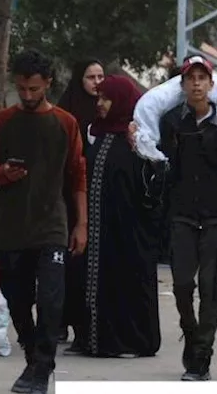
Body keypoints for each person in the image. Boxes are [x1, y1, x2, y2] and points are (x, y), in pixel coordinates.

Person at [0, 50, 88, 394]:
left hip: (53, 225)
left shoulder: (66, 123)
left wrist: (81, 224)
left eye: (33, 88)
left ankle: (42, 375)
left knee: (51, 300)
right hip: (13, 226)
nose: (27, 95)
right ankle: (32, 357)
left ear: (47, 83)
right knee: (16, 301)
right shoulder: (1, 122)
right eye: (21, 89)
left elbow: (78, 176)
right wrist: (3, 174)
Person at [158, 56, 217, 380]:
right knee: (183, 285)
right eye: (190, 78)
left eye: (202, 78)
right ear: (182, 85)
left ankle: (201, 359)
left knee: (210, 288)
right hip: (182, 214)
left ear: (212, 85)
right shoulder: (171, 122)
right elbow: (163, 166)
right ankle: (191, 330)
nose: (196, 84)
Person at [68, 74, 162, 358]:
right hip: (100, 231)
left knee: (127, 282)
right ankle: (94, 339)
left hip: (129, 232)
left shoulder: (137, 137)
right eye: (99, 97)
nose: (100, 104)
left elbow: (154, 185)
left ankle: (130, 341)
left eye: (106, 98)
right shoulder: (98, 133)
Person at [56, 58, 104, 348]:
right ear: (79, 80)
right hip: (68, 195)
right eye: (91, 77)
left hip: (97, 198)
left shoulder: (107, 112)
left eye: (101, 76)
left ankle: (85, 325)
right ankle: (60, 321)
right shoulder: (67, 113)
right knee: (64, 262)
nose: (97, 82)